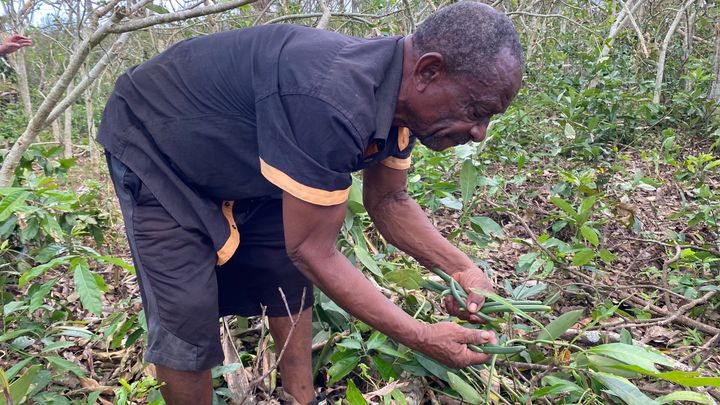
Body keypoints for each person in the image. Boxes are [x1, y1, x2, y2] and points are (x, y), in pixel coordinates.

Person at [97, 2, 523, 403]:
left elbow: (389, 200)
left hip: (251, 152)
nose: (479, 132)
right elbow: (313, 251)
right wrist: (421, 335)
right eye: (477, 110)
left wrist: (462, 268)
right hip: (156, 143)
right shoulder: (331, 98)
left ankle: (301, 397)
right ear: (428, 72)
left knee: (284, 272)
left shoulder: (400, 100)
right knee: (186, 312)